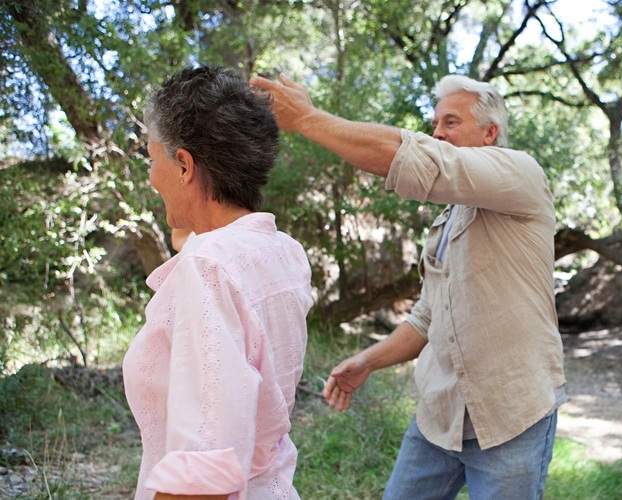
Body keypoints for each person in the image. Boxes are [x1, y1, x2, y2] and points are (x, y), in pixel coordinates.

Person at [251, 73, 567, 499]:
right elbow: (428, 317)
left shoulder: (522, 174)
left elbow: (418, 159)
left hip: (512, 417)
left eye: (451, 122)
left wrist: (308, 118)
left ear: (490, 132)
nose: (437, 132)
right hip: (438, 418)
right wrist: (368, 360)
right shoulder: (446, 220)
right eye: (435, 124)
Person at [123, 66, 314, 500]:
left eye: (153, 161)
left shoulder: (208, 267)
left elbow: (204, 471)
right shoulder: (283, 251)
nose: (152, 178)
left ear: (184, 165)